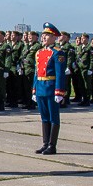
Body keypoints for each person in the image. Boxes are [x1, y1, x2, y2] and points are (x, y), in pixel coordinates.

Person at [32, 22, 68, 154]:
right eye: (43, 35)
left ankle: (52, 145)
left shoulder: (58, 53)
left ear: (54, 37)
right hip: (41, 87)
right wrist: (34, 89)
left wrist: (59, 91)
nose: (44, 37)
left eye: (47, 35)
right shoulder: (39, 52)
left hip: (51, 88)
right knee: (44, 117)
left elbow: (60, 74)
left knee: (53, 117)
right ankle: (45, 143)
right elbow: (36, 72)